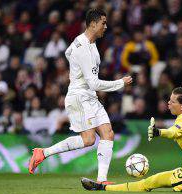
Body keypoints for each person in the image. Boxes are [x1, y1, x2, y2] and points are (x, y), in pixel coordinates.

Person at [28, 9, 133, 184]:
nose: (105, 27)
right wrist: (119, 83)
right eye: (103, 23)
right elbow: (93, 83)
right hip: (79, 97)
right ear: (93, 24)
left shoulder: (87, 43)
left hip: (90, 97)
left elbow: (68, 52)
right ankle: (43, 153)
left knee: (108, 133)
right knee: (89, 140)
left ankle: (101, 180)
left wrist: (74, 69)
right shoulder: (83, 47)